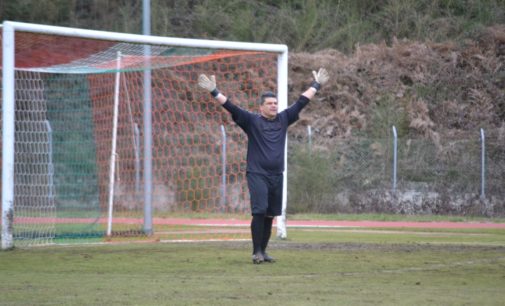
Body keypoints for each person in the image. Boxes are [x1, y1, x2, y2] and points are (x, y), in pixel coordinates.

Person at [198, 68, 329, 264]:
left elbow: (302, 102)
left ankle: (264, 252)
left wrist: (316, 85)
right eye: (269, 104)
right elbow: (231, 107)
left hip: (277, 174)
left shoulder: (284, 119)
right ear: (261, 107)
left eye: (275, 103)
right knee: (259, 210)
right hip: (257, 173)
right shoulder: (251, 121)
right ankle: (256, 251)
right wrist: (214, 91)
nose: (274, 106)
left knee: (270, 214)